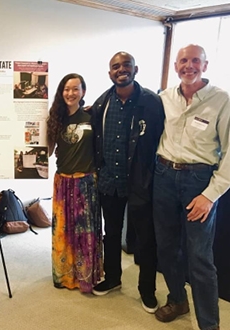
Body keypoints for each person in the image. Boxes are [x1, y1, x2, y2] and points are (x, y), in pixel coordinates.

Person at [153, 44, 229, 330]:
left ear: (205, 66)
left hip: (199, 181)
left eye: (195, 61)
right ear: (175, 66)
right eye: (183, 61)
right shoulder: (164, 98)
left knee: (199, 257)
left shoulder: (221, 100)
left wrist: (210, 196)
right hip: (163, 176)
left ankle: (209, 324)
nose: (189, 66)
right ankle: (177, 299)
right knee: (168, 247)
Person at [90, 52, 165, 314]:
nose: (121, 70)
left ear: (135, 69)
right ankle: (112, 278)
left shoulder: (152, 103)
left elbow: (159, 141)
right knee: (111, 235)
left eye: (126, 65)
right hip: (110, 183)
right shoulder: (101, 104)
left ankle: (147, 290)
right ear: (109, 72)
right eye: (115, 67)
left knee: (146, 239)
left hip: (140, 183)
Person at [46, 73, 102, 293]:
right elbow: (48, 152)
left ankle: (86, 277)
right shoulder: (55, 120)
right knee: (63, 230)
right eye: (66, 89)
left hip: (87, 182)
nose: (70, 93)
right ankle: (65, 276)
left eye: (75, 89)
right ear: (62, 92)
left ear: (83, 92)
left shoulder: (92, 117)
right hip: (63, 182)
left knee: (85, 232)